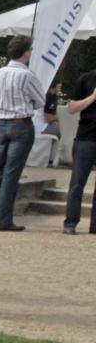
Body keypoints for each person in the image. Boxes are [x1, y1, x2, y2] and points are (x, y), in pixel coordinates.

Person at [0, 36, 46, 231]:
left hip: (1, 124)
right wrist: (28, 104)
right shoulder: (27, 75)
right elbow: (40, 100)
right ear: (26, 52)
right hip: (20, 124)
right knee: (11, 174)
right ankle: (3, 221)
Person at [63, 66, 96, 235]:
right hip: (86, 138)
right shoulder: (86, 78)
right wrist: (92, 97)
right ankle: (70, 222)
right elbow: (72, 108)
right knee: (77, 183)